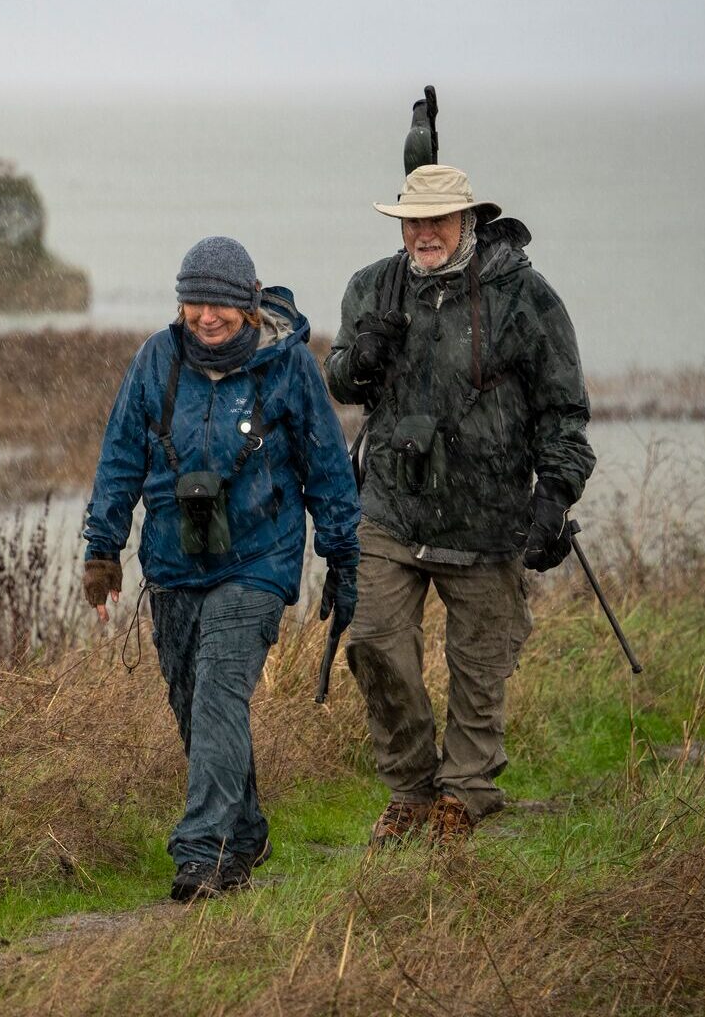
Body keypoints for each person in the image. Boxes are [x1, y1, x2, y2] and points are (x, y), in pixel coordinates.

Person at [83, 236, 361, 900]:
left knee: (218, 692)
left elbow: (327, 467)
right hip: (175, 561)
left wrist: (344, 554)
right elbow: (121, 456)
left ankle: (200, 853)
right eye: (195, 301)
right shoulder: (156, 360)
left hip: (259, 559)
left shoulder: (288, 368)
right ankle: (246, 832)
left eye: (222, 304)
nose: (207, 316)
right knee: (192, 703)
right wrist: (102, 548)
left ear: (248, 304)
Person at [326, 164, 595, 846]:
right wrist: (365, 352)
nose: (424, 233)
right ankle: (412, 790)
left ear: (468, 221)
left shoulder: (524, 297)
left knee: (481, 665)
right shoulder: (373, 286)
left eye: (439, 220)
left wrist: (554, 497)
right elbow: (340, 380)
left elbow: (561, 410)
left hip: (487, 514)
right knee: (374, 646)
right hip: (390, 509)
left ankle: (466, 792)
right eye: (413, 221)